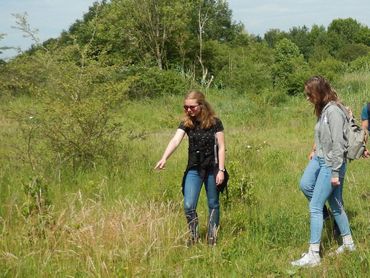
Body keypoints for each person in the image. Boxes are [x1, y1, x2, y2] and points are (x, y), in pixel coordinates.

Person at [291, 76, 355, 267]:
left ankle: (314, 255)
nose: (307, 98)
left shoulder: (334, 111)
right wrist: (314, 150)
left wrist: (335, 173)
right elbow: (322, 136)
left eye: (309, 94)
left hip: (331, 164)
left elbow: (339, 144)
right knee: (307, 186)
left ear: (318, 92)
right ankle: (349, 243)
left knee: (316, 206)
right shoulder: (323, 110)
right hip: (320, 158)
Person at [154, 90, 226, 246]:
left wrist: (221, 170)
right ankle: (194, 237)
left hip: (212, 168)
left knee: (213, 204)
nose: (188, 110)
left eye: (192, 107)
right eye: (185, 107)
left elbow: (221, 147)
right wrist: (164, 157)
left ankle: (212, 239)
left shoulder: (215, 122)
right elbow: (175, 140)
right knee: (188, 205)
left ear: (201, 105)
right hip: (194, 168)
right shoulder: (187, 123)